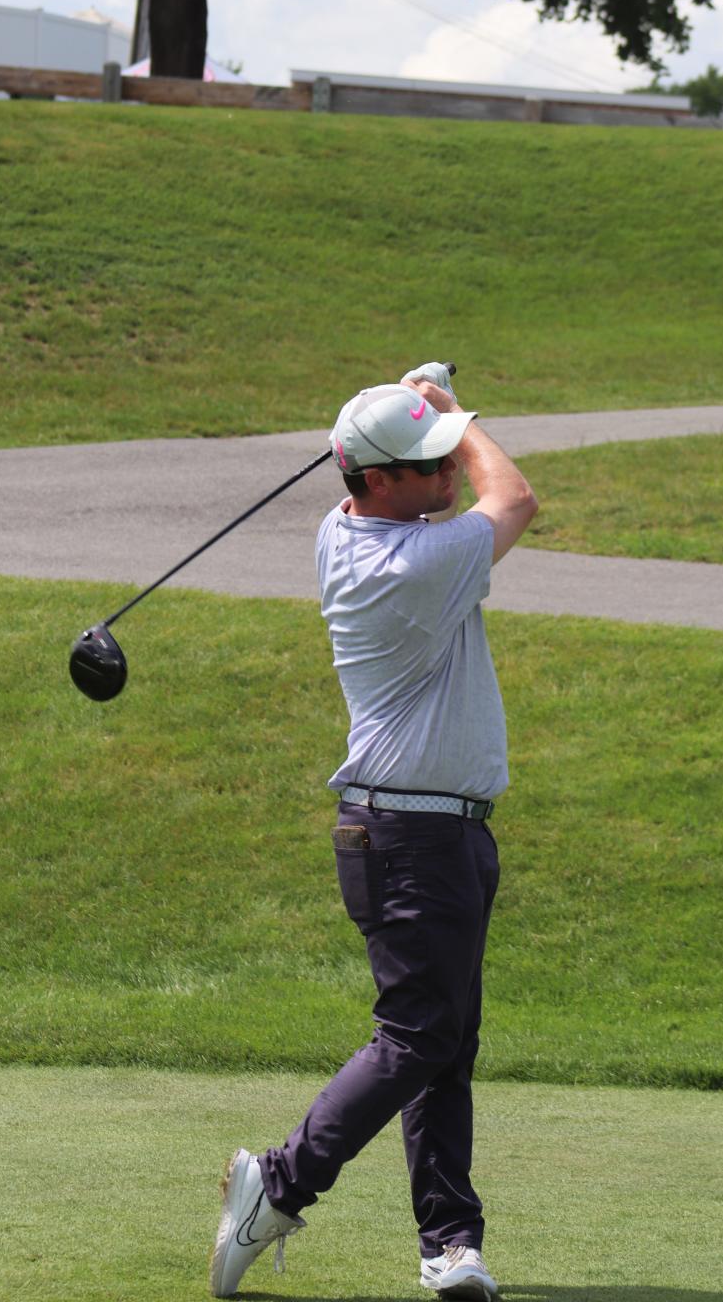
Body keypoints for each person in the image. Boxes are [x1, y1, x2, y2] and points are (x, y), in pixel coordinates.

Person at [209, 363, 538, 1300]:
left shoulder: (346, 525)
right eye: (429, 466)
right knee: (420, 1034)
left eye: (446, 462)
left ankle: (450, 1244)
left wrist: (415, 415)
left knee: (446, 1042)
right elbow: (514, 496)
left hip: (443, 832)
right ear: (379, 482)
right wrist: (452, 415)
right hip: (409, 836)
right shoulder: (413, 563)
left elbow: (452, 491)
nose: (449, 479)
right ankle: (277, 1181)